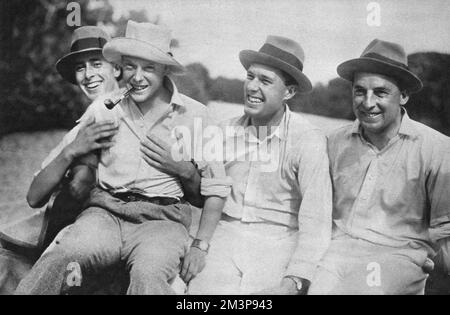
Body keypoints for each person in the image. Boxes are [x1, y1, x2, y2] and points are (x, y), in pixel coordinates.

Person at [16, 20, 231, 295]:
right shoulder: (105, 108)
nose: (137, 77)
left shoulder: (195, 116)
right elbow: (39, 190)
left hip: (162, 221)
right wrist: (75, 154)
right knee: (61, 254)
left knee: (149, 272)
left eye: (149, 68)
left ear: (165, 69)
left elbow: (216, 188)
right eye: (131, 66)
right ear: (121, 66)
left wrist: (200, 246)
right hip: (105, 214)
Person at [188, 36, 332, 295]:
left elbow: (316, 221)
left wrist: (295, 279)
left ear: (289, 92)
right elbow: (208, 196)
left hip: (280, 241)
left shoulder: (307, 140)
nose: (252, 87)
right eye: (250, 77)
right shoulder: (222, 131)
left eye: (265, 81)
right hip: (225, 235)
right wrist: (200, 245)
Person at [308, 39, 450, 295]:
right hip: (336, 251)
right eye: (360, 91)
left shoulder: (437, 149)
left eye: (381, 93)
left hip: (398, 255)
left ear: (403, 95)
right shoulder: (332, 142)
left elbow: (446, 230)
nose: (367, 102)